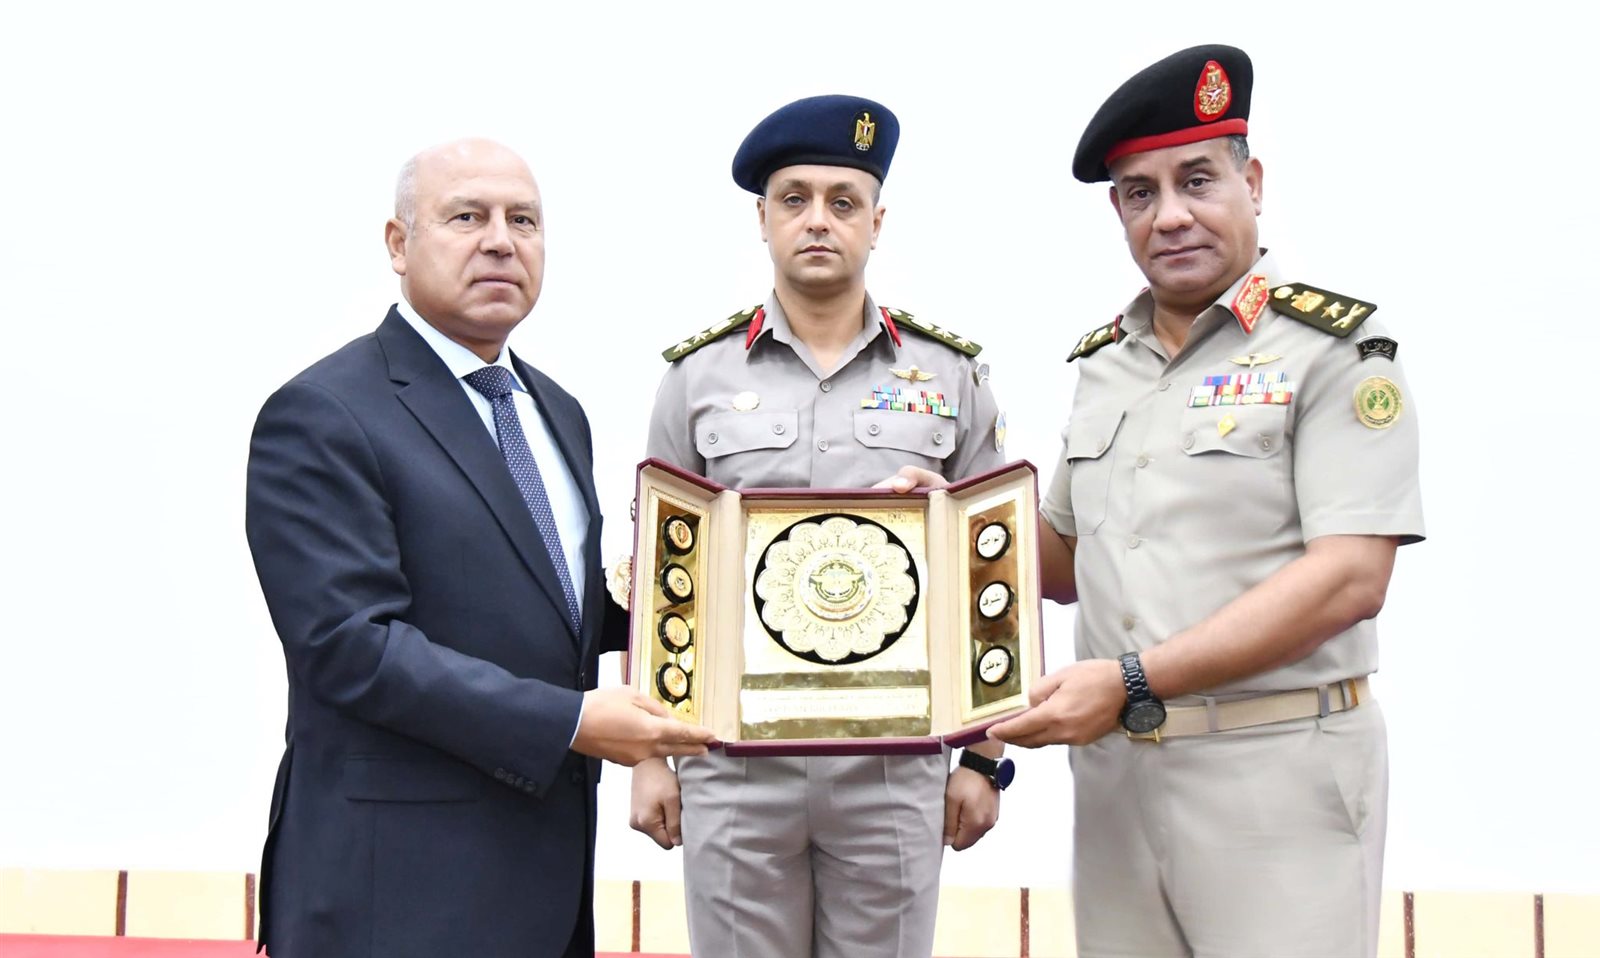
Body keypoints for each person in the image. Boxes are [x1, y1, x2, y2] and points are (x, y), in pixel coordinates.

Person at [976, 45, 1425, 958]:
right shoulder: (1106, 364)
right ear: (1118, 213)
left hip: (1277, 773)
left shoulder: (1335, 351)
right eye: (1140, 193)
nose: (1171, 215)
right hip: (1118, 782)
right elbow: (1062, 565)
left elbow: (1350, 578)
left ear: (1252, 183)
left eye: (1197, 180)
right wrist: (943, 521)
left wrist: (1133, 680)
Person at [244, 138, 715, 958]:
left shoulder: (554, 410)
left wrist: (728, 585)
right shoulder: (323, 413)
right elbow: (350, 648)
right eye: (467, 217)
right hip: (393, 893)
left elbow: (553, 610)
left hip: (543, 886)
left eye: (523, 221)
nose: (501, 241)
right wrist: (571, 721)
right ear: (398, 244)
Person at [630, 95, 1013, 958]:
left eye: (844, 202)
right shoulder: (696, 379)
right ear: (762, 219)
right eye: (794, 199)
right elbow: (657, 572)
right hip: (733, 761)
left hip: (893, 763)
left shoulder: (949, 375)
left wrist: (983, 757)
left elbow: (994, 575)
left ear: (877, 222)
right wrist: (647, 755)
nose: (817, 221)